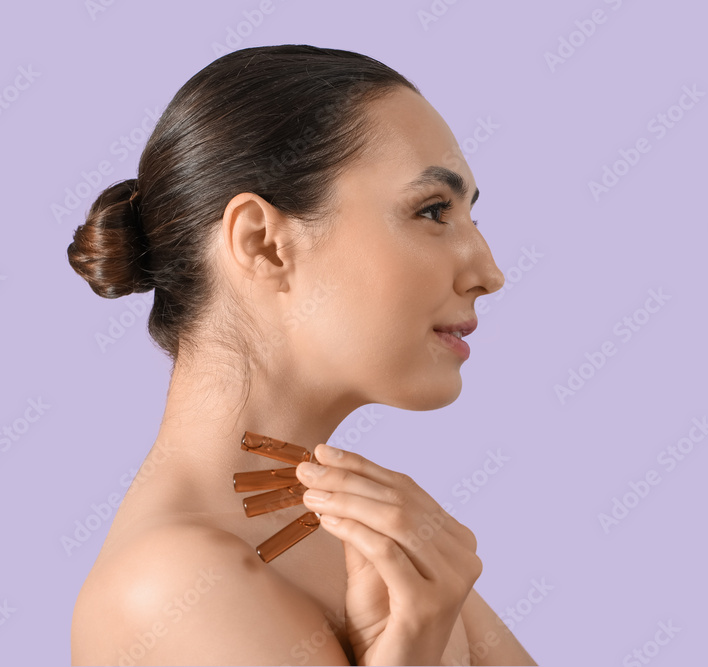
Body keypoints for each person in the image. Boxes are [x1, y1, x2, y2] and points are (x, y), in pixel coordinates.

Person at [67, 44, 535, 666]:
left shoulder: (362, 540)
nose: (489, 272)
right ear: (263, 244)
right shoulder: (169, 587)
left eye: (470, 215)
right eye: (432, 211)